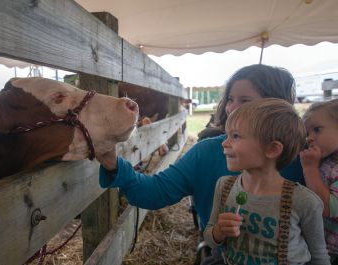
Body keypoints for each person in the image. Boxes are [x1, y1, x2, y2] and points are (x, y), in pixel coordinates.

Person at [96, 64, 305, 231]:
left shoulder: (304, 160)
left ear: (277, 107)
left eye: (245, 100)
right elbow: (154, 192)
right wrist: (113, 164)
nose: (231, 107)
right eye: (230, 99)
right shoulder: (208, 152)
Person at [203, 98, 329, 264]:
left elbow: (319, 256)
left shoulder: (304, 201)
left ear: (272, 149)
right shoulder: (224, 186)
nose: (225, 143)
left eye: (236, 136)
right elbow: (210, 238)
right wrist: (218, 231)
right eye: (227, 136)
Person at [300, 99, 338, 265]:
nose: (310, 139)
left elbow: (327, 207)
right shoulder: (326, 160)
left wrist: (310, 169)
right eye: (307, 134)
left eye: (317, 130)